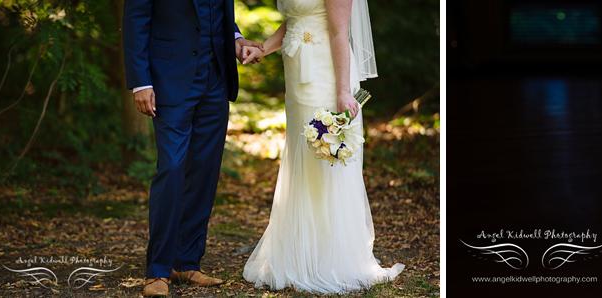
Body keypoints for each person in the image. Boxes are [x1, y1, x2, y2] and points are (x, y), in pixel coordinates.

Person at [238, 0, 405, 293]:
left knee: (324, 161)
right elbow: (295, 19)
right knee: (302, 159)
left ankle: (331, 259)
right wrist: (263, 48)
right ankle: (300, 254)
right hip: (297, 74)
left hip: (326, 76)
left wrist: (342, 91)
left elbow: (340, 32)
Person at [122, 0, 263, 296]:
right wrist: (140, 82)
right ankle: (157, 270)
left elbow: (218, 12)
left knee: (205, 171)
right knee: (172, 167)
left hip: (216, 79)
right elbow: (135, 21)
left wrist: (236, 39)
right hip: (168, 79)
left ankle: (186, 262)